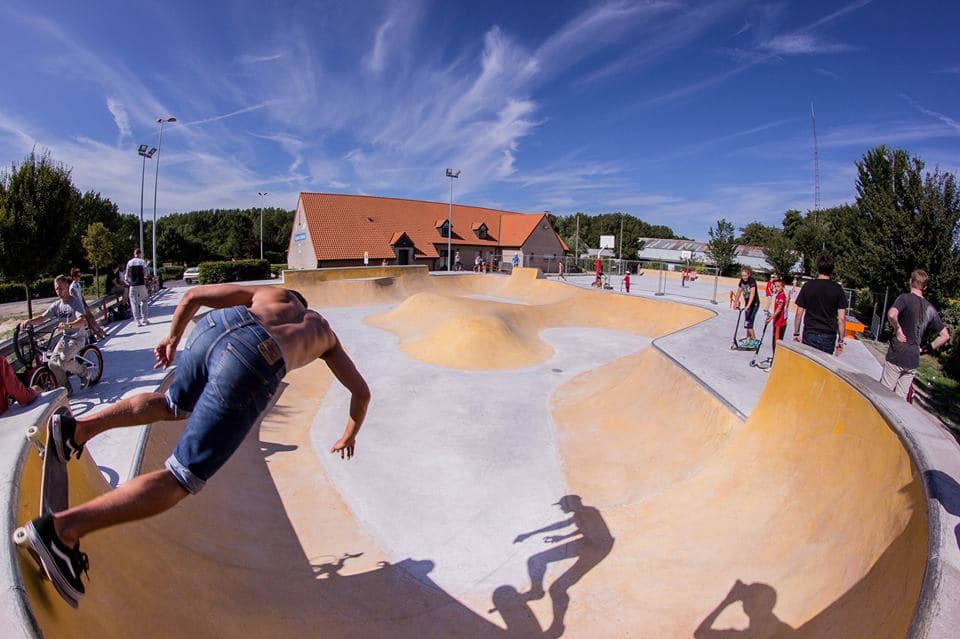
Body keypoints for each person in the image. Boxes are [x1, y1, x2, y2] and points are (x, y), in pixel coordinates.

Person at [16, 284, 371, 605]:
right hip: (256, 360)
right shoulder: (326, 334)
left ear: (292, 297)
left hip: (218, 326)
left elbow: (192, 296)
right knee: (181, 477)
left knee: (172, 403)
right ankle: (60, 531)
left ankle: (76, 430)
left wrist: (171, 338)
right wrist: (349, 434)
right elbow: (361, 392)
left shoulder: (268, 293)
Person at [880, 269, 951, 399]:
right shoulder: (931, 309)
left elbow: (891, 314)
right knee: (899, 400)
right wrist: (923, 350)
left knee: (883, 395)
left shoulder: (904, 298)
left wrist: (898, 329)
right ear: (925, 287)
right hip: (913, 358)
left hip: (897, 353)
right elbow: (945, 335)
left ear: (910, 282)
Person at [18, 276, 89, 391]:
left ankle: (84, 372)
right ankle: (66, 387)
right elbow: (42, 317)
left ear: (67, 286)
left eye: (61, 288)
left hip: (77, 338)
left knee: (62, 361)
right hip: (65, 338)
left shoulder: (75, 302)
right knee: (52, 363)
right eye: (56, 289)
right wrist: (29, 321)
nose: (58, 291)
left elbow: (81, 321)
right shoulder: (57, 305)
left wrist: (67, 325)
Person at [792, 253, 847, 355]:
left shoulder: (808, 286)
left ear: (818, 267)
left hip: (810, 332)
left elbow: (799, 313)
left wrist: (796, 333)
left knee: (808, 365)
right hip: (828, 335)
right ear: (832, 268)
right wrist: (841, 340)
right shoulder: (838, 289)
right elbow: (841, 318)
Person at [69, 268, 106, 340]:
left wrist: (86, 305)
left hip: (83, 306)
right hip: (78, 308)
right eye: (78, 276)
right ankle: (97, 334)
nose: (79, 278)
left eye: (79, 276)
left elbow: (81, 296)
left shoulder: (78, 285)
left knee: (91, 318)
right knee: (89, 321)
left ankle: (97, 333)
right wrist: (82, 309)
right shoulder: (72, 287)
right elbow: (76, 299)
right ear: (74, 277)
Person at [733, 267, 760, 343]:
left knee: (749, 323)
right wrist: (735, 302)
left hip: (754, 304)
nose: (744, 277)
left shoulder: (752, 281)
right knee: (746, 322)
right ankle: (748, 339)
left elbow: (752, 294)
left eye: (745, 275)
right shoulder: (742, 281)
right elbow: (739, 291)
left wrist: (748, 306)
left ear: (749, 274)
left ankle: (754, 341)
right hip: (747, 304)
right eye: (742, 276)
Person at [125, 248, 150, 327]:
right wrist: (145, 278)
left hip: (133, 285)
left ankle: (137, 321)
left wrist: (129, 281)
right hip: (141, 284)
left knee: (134, 302)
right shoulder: (142, 262)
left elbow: (126, 275)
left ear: (134, 254)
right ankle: (145, 319)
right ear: (140, 254)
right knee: (144, 300)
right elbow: (145, 273)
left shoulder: (129, 262)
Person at [765, 278, 788, 356]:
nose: (776, 288)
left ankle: (775, 360)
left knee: (776, 343)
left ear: (782, 287)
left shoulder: (782, 296)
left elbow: (779, 309)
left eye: (778, 286)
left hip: (780, 323)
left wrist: (771, 318)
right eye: (775, 286)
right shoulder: (778, 295)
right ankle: (774, 359)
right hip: (776, 322)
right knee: (773, 342)